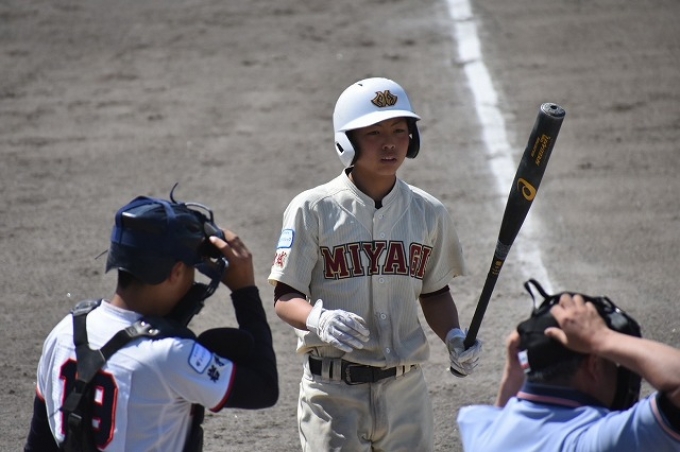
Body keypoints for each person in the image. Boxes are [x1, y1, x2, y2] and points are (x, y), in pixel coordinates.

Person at [268, 76, 483, 451]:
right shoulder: (312, 209)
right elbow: (285, 296)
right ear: (347, 141)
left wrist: (453, 335)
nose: (390, 143)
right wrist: (319, 319)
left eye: (400, 130)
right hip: (332, 395)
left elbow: (435, 293)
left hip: (405, 393)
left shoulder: (428, 212)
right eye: (374, 133)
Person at [24, 193, 278, 452]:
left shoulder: (64, 332)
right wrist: (245, 291)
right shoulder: (171, 353)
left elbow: (39, 444)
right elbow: (265, 387)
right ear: (176, 271)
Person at [457, 279, 680, 451]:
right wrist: (601, 338)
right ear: (593, 365)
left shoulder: (479, 431)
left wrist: (512, 376)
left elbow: (500, 417)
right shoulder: (597, 440)